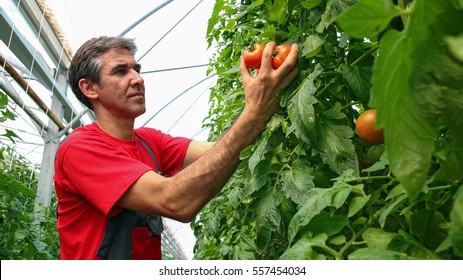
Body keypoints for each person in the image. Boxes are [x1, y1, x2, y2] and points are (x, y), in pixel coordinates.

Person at [53, 36, 299, 260]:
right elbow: (175, 202)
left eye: (136, 69)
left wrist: (271, 96)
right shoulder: (80, 148)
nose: (138, 79)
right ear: (90, 88)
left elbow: (221, 150)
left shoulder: (150, 141)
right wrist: (254, 113)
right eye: (120, 71)